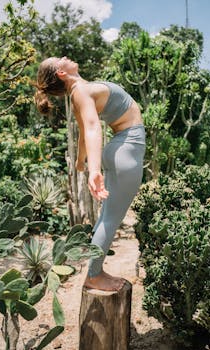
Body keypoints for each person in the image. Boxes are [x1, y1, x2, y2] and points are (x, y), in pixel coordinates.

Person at [34, 56, 146, 291]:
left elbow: (85, 129)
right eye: (59, 59)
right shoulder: (81, 91)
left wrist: (79, 161)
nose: (65, 57)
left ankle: (94, 270)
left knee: (107, 215)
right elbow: (93, 128)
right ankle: (94, 275)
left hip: (120, 147)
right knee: (111, 218)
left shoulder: (80, 91)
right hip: (127, 147)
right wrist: (94, 170)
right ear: (62, 73)